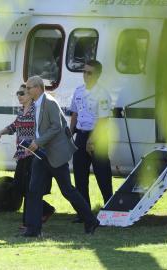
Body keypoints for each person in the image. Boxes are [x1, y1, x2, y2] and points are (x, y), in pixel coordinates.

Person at [23, 75, 99, 237]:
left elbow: (56, 127)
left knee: (67, 191)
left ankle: (91, 220)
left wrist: (38, 141)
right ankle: (33, 229)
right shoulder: (36, 104)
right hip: (41, 154)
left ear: (37, 88)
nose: (26, 90)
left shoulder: (49, 103)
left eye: (29, 88)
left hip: (55, 154)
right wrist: (32, 144)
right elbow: (41, 129)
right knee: (34, 190)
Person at [0, 84, 55, 230]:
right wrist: (0, 132)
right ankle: (45, 210)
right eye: (18, 93)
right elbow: (14, 126)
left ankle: (28, 222)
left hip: (33, 154)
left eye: (22, 93)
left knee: (29, 188)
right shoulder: (22, 111)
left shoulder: (36, 111)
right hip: (22, 154)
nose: (19, 96)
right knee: (20, 187)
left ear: (30, 95)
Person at [70, 60, 113, 223]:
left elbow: (103, 120)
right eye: (84, 72)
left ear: (98, 75)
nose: (86, 76)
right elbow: (74, 113)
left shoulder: (102, 94)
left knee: (102, 174)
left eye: (90, 73)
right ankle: (84, 212)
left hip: (97, 136)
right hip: (81, 135)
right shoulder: (78, 91)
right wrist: (71, 133)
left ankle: (109, 209)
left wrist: (92, 140)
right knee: (80, 174)